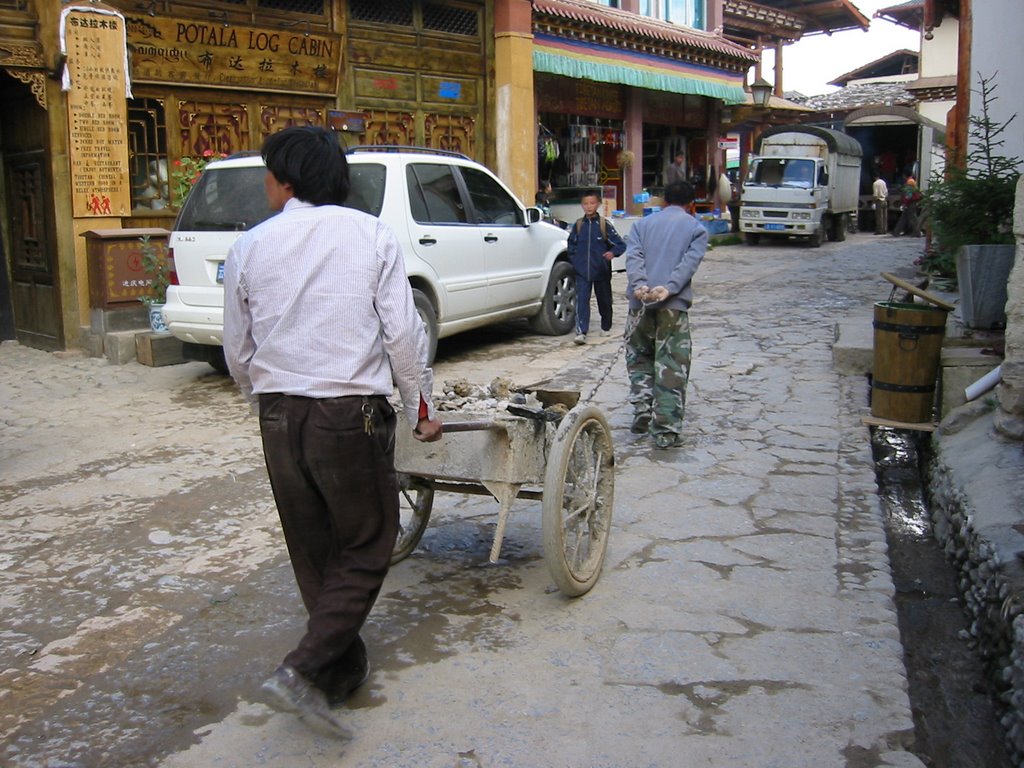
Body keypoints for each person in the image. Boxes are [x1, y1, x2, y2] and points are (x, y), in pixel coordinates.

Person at [221, 126, 443, 737]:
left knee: (314, 547)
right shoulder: (370, 236)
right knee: (370, 542)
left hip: (278, 414)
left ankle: (336, 674)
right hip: (348, 414)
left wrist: (263, 401)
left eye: (268, 173)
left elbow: (237, 348)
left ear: (288, 181)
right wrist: (421, 405)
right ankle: (299, 670)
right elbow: (402, 334)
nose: (265, 184)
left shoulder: (251, 246)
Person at [623, 181, 708, 450]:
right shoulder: (696, 229)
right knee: (671, 366)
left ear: (662, 202)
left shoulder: (641, 226)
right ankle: (665, 431)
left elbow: (633, 257)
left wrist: (640, 285)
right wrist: (669, 288)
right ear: (691, 204)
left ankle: (642, 411)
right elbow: (688, 265)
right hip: (672, 306)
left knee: (639, 359)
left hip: (640, 305)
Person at [567, 190, 626, 344]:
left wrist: (612, 253)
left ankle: (606, 326)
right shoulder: (579, 225)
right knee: (582, 300)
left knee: (604, 299)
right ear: (582, 205)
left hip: (601, 271)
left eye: (592, 203)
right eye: (585, 203)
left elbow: (620, 245)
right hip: (582, 272)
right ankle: (581, 331)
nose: (589, 206)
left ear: (598, 204)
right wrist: (575, 261)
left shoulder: (604, 225)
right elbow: (571, 245)